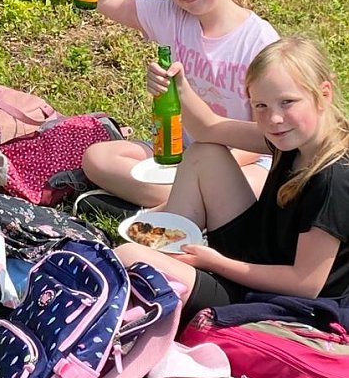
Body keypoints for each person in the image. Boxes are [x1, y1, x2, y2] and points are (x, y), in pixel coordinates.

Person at [116, 36, 349, 324]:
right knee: (205, 153)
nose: (274, 118)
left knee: (127, 255)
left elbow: (306, 283)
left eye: (287, 102)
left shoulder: (333, 178)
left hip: (279, 301)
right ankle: (171, 248)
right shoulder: (297, 136)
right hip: (258, 256)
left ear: (324, 94)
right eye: (260, 105)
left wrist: (217, 264)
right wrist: (178, 87)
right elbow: (208, 129)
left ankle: (171, 266)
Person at [74, 0, 279, 208]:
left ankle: (165, 204)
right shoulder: (172, 15)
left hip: (246, 159)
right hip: (179, 152)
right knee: (97, 158)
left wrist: (208, 169)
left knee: (246, 191)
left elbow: (269, 133)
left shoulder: (258, 41)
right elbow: (106, 0)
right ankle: (180, 204)